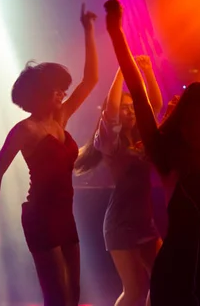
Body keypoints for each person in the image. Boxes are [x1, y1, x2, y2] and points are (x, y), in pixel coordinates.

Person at [104, 0, 200, 306]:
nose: (198, 128)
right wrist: (115, 32)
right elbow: (141, 99)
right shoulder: (168, 158)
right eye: (192, 120)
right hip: (177, 274)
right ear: (183, 123)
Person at [0, 4, 98, 306]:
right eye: (56, 89)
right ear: (39, 92)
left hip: (65, 214)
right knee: (58, 296)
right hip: (40, 216)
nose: (62, 94)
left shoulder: (61, 119)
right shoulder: (24, 130)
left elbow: (90, 79)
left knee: (73, 296)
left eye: (62, 89)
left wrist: (88, 29)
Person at [75, 55, 164, 306]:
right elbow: (111, 110)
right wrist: (122, 71)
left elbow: (153, 104)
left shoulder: (139, 135)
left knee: (163, 279)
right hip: (120, 223)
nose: (130, 111)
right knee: (134, 290)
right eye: (125, 107)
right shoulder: (109, 141)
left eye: (132, 107)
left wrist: (147, 72)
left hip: (144, 220)